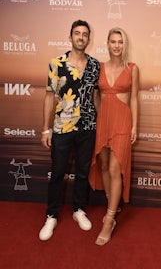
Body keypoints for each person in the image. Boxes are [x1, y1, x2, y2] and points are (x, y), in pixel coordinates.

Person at [39, 20, 100, 241]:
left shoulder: (95, 65)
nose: (81, 37)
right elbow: (48, 96)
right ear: (70, 37)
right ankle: (52, 215)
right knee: (57, 172)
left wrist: (99, 124)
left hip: (88, 127)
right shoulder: (57, 63)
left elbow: (96, 97)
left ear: (89, 39)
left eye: (85, 34)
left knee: (83, 171)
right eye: (77, 33)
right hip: (62, 127)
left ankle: (78, 210)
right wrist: (46, 129)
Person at [89, 27, 139, 245]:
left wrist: (135, 126)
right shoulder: (98, 67)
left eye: (120, 42)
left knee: (113, 168)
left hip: (122, 121)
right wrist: (100, 116)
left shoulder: (132, 68)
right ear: (107, 44)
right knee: (103, 166)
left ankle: (109, 220)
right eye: (113, 41)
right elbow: (95, 96)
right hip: (104, 121)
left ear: (124, 45)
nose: (116, 45)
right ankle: (112, 203)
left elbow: (135, 99)